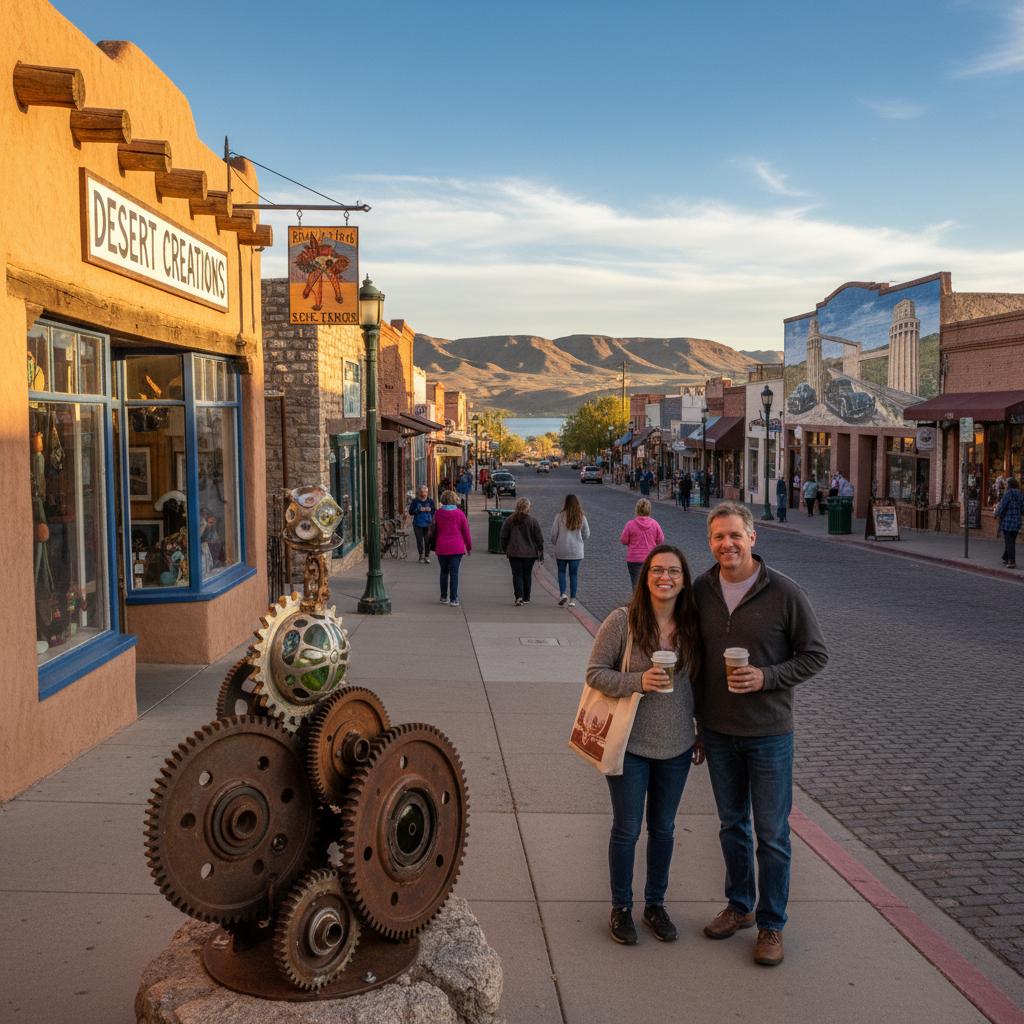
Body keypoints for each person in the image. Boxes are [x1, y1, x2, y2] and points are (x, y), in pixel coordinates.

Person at [693, 503, 828, 966]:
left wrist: (766, 677)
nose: (726, 545)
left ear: (753, 538)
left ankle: (772, 925)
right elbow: (692, 661)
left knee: (771, 834)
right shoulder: (702, 591)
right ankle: (739, 906)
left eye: (734, 535)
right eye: (717, 537)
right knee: (732, 826)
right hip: (717, 732)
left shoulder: (784, 593)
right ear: (709, 542)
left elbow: (815, 655)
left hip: (769, 732)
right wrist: (696, 724)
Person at [585, 544, 703, 946]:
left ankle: (655, 903)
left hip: (677, 746)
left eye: (673, 571)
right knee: (628, 828)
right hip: (630, 744)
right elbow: (595, 673)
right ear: (645, 575)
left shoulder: (692, 624)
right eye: (657, 570)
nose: (664, 578)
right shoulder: (623, 621)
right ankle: (621, 907)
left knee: (664, 829)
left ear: (684, 579)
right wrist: (638, 682)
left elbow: (699, 685)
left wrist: (699, 729)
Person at [500, 497, 544, 605]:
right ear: (528, 508)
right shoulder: (532, 521)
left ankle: (518, 596)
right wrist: (540, 554)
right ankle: (526, 597)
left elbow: (503, 537)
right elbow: (539, 539)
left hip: (514, 553)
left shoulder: (509, 520)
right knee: (527, 574)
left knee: (517, 574)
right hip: (529, 554)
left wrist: (506, 549)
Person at [432, 489, 471, 607]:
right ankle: (454, 598)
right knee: (454, 573)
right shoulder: (460, 514)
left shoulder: (438, 513)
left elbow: (434, 529)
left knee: (444, 572)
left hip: (442, 547)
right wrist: (468, 546)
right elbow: (466, 532)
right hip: (456, 547)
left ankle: (443, 596)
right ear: (454, 500)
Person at [550, 493, 590, 607]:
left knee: (561, 572)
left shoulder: (559, 516)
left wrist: (555, 542)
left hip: (562, 548)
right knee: (574, 575)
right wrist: (580, 539)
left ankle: (562, 594)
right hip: (576, 550)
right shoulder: (581, 516)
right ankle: (572, 599)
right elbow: (587, 533)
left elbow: (553, 534)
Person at [620, 499, 664, 588]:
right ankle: (649, 601)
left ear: (637, 509)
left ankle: (638, 601)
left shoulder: (630, 524)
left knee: (636, 584)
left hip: (634, 559)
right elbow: (660, 540)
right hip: (650, 558)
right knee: (650, 583)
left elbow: (623, 540)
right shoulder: (654, 524)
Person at [996, 477, 1022, 569]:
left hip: (1008, 521)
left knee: (1009, 542)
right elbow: (1023, 508)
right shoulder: (1019, 493)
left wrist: (997, 513)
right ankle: (1005, 557)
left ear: (1009, 485)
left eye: (1006, 484)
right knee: (1011, 540)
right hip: (1017, 521)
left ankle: (1012, 561)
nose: (1005, 485)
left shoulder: (1007, 494)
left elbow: (1002, 507)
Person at [407, 484, 436, 563]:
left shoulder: (430, 501)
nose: (424, 494)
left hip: (428, 523)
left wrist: (430, 509)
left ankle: (427, 556)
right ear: (419, 493)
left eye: (425, 492)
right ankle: (421, 556)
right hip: (417, 524)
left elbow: (434, 511)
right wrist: (418, 510)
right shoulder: (415, 501)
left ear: (427, 492)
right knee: (419, 541)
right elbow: (410, 512)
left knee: (427, 541)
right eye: (422, 492)